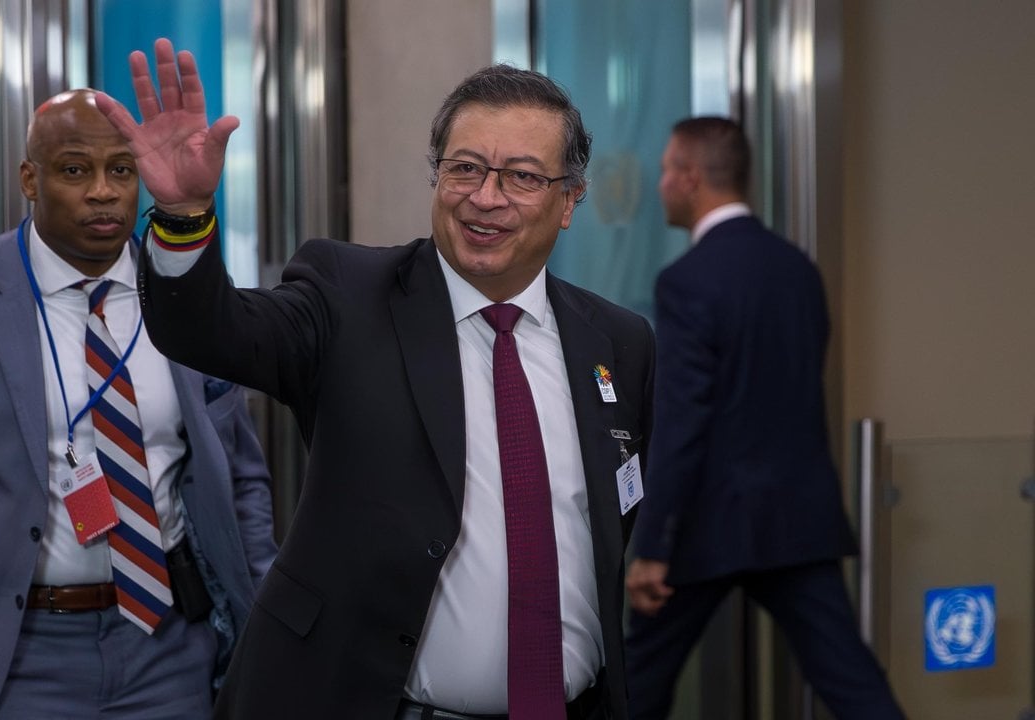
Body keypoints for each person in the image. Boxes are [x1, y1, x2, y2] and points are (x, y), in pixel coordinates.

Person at [95, 39, 655, 719]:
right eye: (465, 168)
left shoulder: (618, 343)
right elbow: (213, 332)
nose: (485, 198)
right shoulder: (348, 295)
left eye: (522, 177)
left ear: (570, 201)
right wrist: (184, 220)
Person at [0, 89, 277, 720]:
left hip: (168, 647)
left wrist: (265, 617)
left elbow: (240, 476)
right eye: (74, 170)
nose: (103, 192)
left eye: (121, 170)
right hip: (9, 652)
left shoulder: (186, 298)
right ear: (30, 180)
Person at [624, 116, 904, 719]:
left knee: (637, 684)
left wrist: (653, 544)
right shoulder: (799, 271)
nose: (660, 185)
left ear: (692, 178)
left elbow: (683, 420)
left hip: (708, 521)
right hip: (796, 519)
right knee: (852, 683)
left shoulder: (687, 282)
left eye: (668, 170)